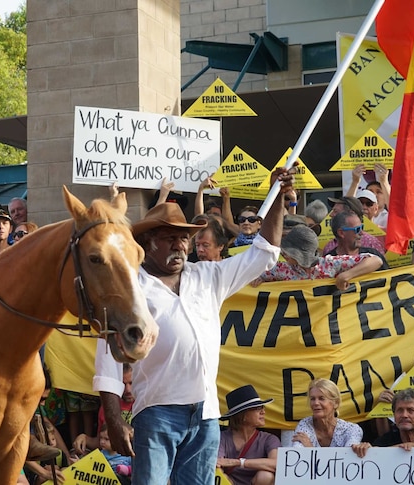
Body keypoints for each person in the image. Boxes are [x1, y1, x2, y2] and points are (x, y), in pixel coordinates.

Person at [95, 167, 293, 485]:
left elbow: (264, 254)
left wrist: (278, 199)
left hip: (205, 413)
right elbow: (107, 361)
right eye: (169, 238)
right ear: (148, 241)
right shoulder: (129, 288)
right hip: (158, 411)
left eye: (184, 239)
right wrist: (115, 420)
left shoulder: (207, 276)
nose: (180, 246)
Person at [252, 224, 383, 290]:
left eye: (288, 252)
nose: (283, 255)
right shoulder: (281, 269)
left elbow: (375, 260)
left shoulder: (330, 264)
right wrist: (256, 278)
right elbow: (252, 275)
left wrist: (346, 275)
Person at [352, 388, 414, 458]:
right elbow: (374, 455)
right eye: (400, 410)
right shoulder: (384, 440)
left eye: (410, 410)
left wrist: (377, 451)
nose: (404, 415)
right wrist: (367, 450)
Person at [216, 385, 279, 485]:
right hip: (229, 482)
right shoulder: (222, 437)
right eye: (258, 408)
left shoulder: (269, 439)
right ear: (243, 416)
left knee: (265, 476)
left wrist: (239, 462)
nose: (263, 412)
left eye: (262, 408)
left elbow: (277, 464)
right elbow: (217, 464)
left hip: (256, 482)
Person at [74, 363, 134, 456]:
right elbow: (101, 442)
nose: (128, 389)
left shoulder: (145, 405)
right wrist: (84, 438)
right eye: (123, 384)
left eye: (131, 383)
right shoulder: (108, 406)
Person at [291, 378, 363, 448]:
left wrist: (310, 449)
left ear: (336, 403)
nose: (316, 403)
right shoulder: (305, 425)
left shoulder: (351, 430)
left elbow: (347, 456)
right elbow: (297, 452)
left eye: (321, 398)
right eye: (312, 399)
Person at [324, 210, 389, 269]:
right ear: (341, 233)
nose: (361, 233)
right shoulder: (327, 262)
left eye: (362, 228)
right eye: (357, 229)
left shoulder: (373, 253)